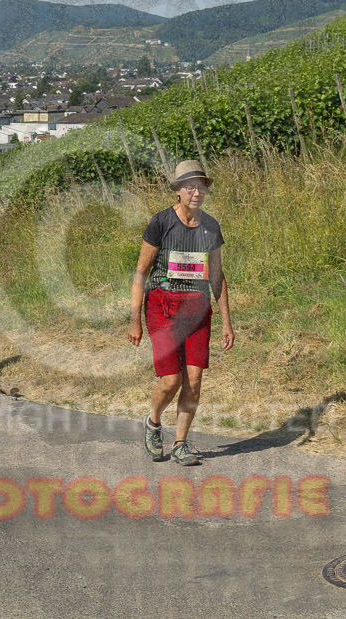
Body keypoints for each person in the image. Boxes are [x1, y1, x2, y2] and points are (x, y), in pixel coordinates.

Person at [128, 160, 235, 465]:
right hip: (163, 308)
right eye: (190, 186)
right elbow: (141, 271)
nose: (196, 192)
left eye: (200, 186)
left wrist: (227, 322)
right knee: (171, 380)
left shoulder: (211, 226)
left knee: (195, 380)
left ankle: (180, 444)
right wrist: (135, 319)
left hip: (198, 311)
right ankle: (153, 421)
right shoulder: (161, 223)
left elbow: (217, 276)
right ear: (177, 191)